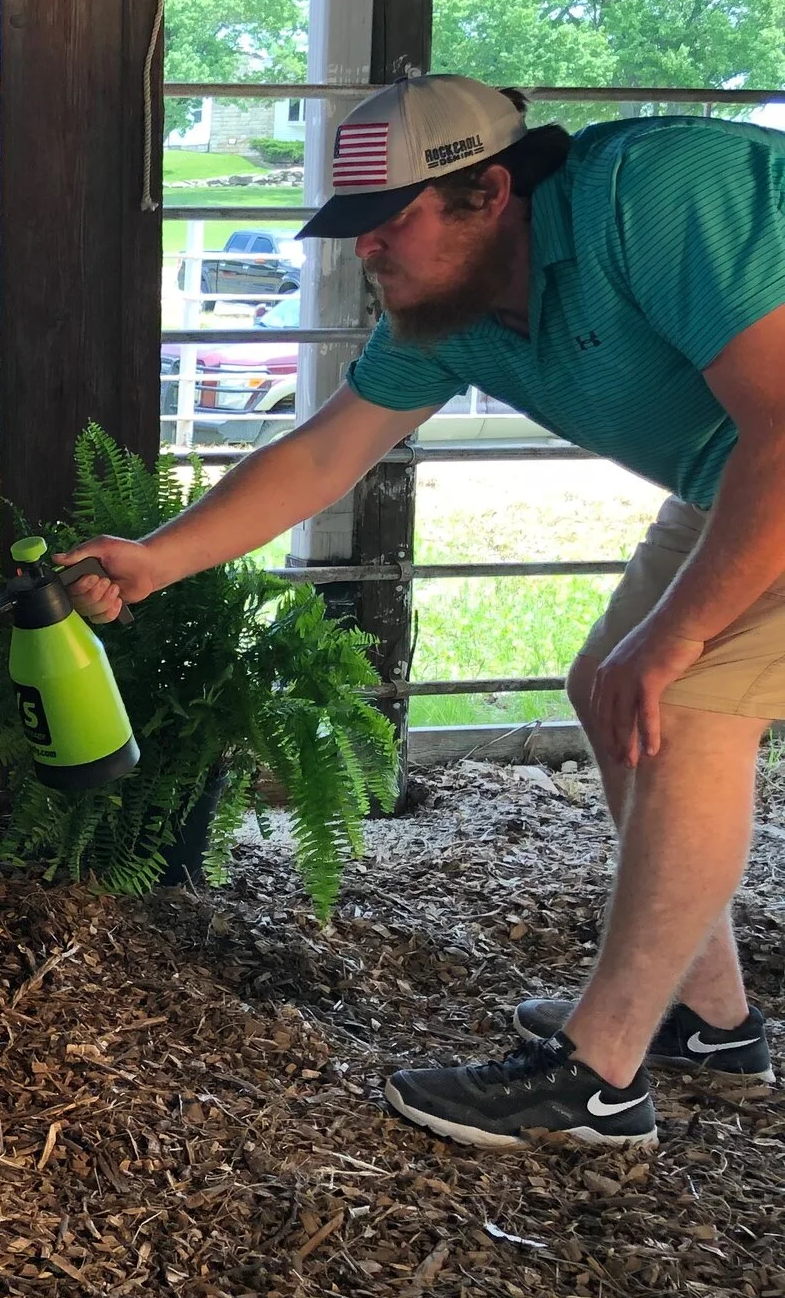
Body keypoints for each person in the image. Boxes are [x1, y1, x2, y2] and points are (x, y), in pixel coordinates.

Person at [64, 73, 785, 1153]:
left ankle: (597, 1078)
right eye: (353, 225)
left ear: (487, 192)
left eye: (386, 220)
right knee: (608, 685)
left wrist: (674, 636)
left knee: (677, 702)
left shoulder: (657, 194)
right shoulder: (452, 310)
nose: (365, 249)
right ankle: (711, 1021)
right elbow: (326, 452)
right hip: (737, 470)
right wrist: (155, 559)